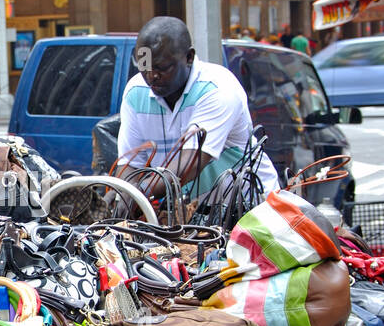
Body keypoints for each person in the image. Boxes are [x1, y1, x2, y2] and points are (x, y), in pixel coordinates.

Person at [117, 16, 279, 193]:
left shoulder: (217, 88)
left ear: (189, 57)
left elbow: (190, 164)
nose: (151, 76)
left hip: (249, 208)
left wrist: (137, 192)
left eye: (162, 67)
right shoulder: (135, 92)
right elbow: (130, 165)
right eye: (144, 66)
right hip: (195, 213)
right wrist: (122, 193)